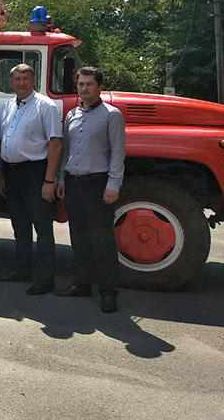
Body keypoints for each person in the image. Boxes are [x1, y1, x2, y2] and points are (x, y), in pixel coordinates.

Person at [55, 66, 126, 313]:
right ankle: (82, 283)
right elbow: (66, 150)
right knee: (79, 237)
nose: (84, 88)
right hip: (74, 183)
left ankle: (108, 291)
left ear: (99, 87)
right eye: (81, 84)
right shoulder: (71, 115)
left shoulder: (112, 115)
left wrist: (113, 185)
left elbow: (118, 153)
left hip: (98, 183)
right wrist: (61, 179)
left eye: (89, 84)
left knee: (102, 239)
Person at [0, 63, 63, 295]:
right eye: (17, 79)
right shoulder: (7, 105)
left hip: (36, 172)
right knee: (19, 225)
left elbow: (55, 143)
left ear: (33, 80)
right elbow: (3, 139)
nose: (21, 83)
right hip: (12, 172)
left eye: (25, 78)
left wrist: (49, 180)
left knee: (42, 227)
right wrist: (2, 176)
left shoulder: (46, 106)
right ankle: (22, 269)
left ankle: (45, 279)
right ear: (11, 82)